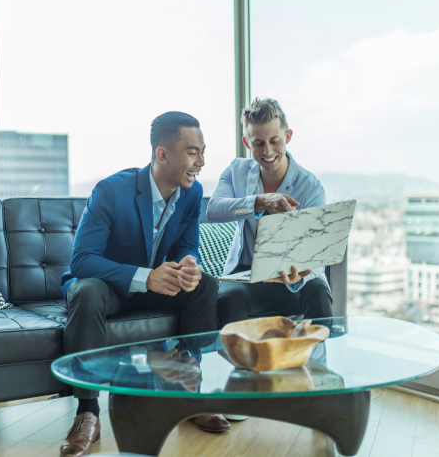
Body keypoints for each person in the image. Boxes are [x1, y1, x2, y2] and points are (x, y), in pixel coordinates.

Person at [59, 112, 227, 457]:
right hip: (109, 288)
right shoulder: (111, 190)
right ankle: (87, 413)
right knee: (85, 291)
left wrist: (189, 263)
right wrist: (143, 276)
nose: (202, 162)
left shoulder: (192, 193)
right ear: (162, 154)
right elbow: (82, 261)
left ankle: (187, 391)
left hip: (156, 286)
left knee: (205, 286)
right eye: (193, 152)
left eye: (203, 151)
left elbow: (186, 244)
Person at [207, 97, 333, 328]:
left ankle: (318, 363)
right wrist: (259, 202)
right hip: (247, 275)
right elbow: (213, 210)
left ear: (288, 136)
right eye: (258, 143)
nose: (267, 151)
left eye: (275, 140)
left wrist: (300, 273)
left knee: (318, 294)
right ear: (246, 142)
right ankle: (241, 364)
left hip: (294, 276)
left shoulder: (311, 187)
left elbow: (317, 252)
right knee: (228, 299)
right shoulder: (235, 172)